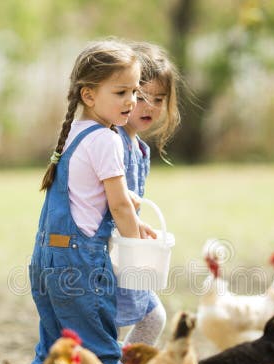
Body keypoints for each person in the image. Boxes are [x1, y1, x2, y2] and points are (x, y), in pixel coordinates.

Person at [28, 39, 156, 364]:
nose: (131, 101)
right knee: (101, 355)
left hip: (45, 261)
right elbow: (118, 206)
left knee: (53, 351)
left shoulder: (73, 132)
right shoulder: (106, 139)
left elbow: (92, 194)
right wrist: (135, 248)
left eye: (134, 91)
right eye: (120, 92)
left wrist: (131, 203)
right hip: (80, 265)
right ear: (88, 95)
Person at [115, 42, 181, 347]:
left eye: (158, 99)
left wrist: (143, 231)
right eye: (141, 97)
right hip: (109, 255)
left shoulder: (140, 150)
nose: (150, 107)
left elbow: (134, 205)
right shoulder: (110, 142)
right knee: (108, 327)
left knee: (153, 316)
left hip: (131, 252)